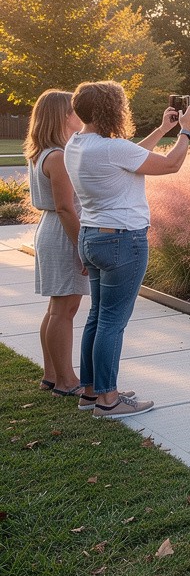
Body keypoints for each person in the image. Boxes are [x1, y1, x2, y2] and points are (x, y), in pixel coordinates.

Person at [65, 81, 190, 418]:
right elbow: (169, 165)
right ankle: (109, 400)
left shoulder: (78, 144)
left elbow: (130, 157)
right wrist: (186, 133)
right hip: (123, 240)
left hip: (92, 237)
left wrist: (163, 129)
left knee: (97, 317)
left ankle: (91, 391)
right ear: (111, 110)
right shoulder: (110, 148)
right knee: (112, 322)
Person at [25, 90, 89, 398]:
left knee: (57, 308)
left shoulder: (44, 151)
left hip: (51, 230)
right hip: (63, 233)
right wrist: (82, 248)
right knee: (65, 309)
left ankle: (51, 375)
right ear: (64, 116)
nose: (80, 114)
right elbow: (66, 207)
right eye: (74, 110)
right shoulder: (59, 157)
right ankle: (65, 381)